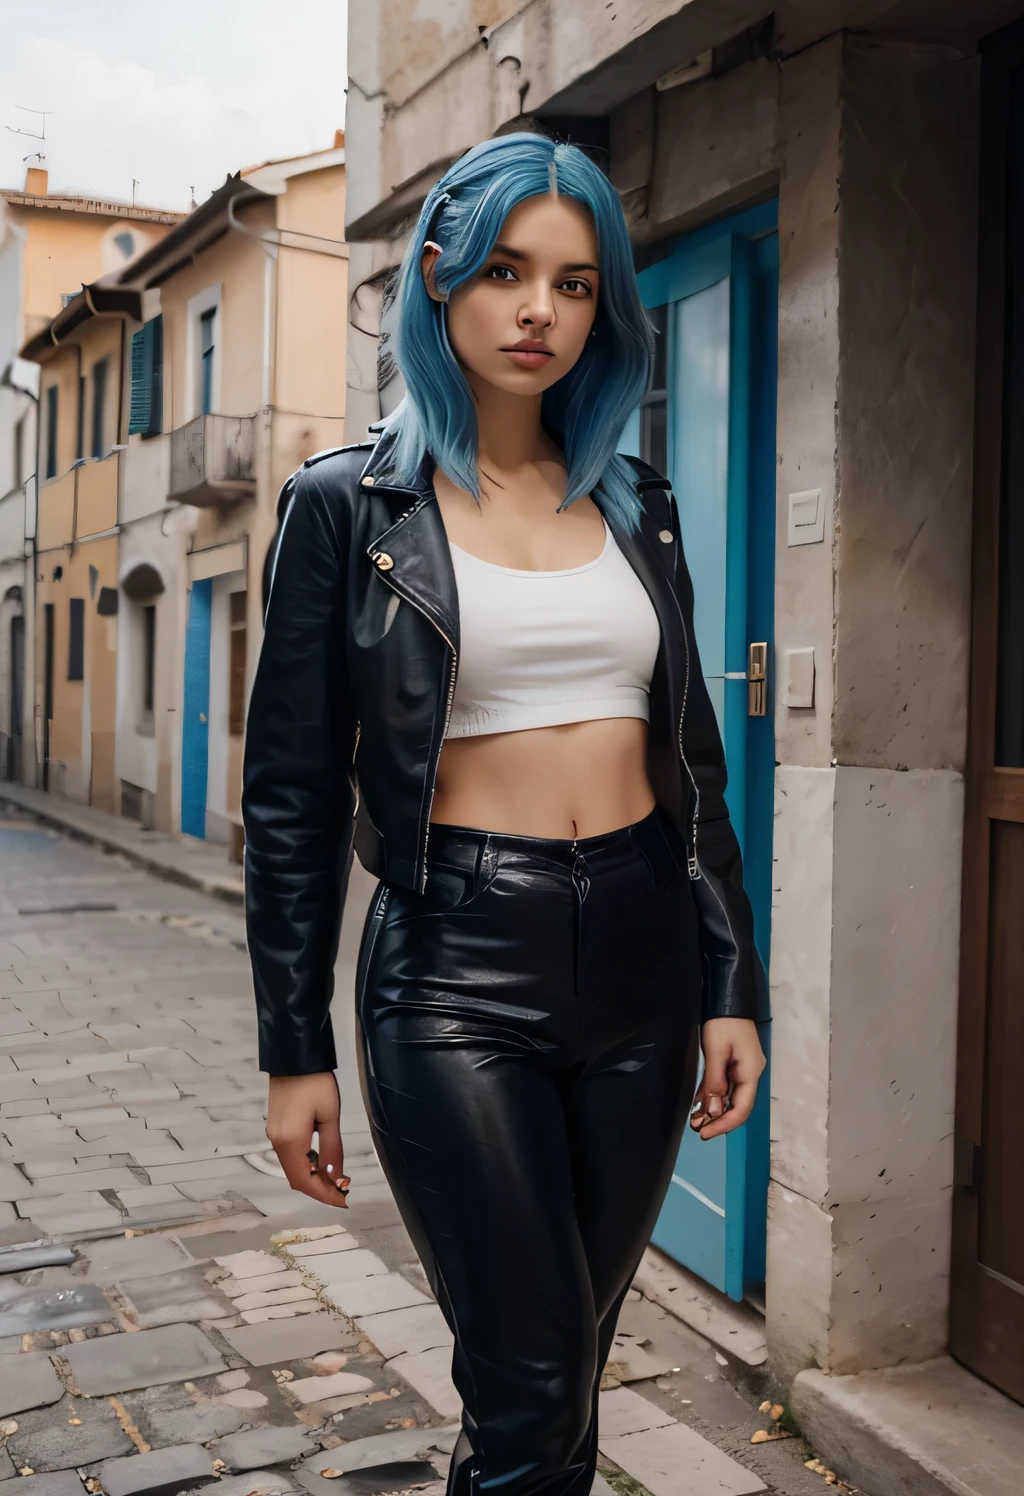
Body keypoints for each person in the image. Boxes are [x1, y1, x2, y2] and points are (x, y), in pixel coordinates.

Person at [242, 131, 769, 1496]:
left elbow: (692, 763)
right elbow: (292, 793)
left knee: (562, 1359)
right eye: (506, 272)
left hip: (648, 958)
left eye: (577, 284)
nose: (540, 310)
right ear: (437, 280)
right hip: (457, 968)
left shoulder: (636, 502)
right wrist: (293, 1045)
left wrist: (731, 984)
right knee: (532, 1382)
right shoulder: (343, 508)